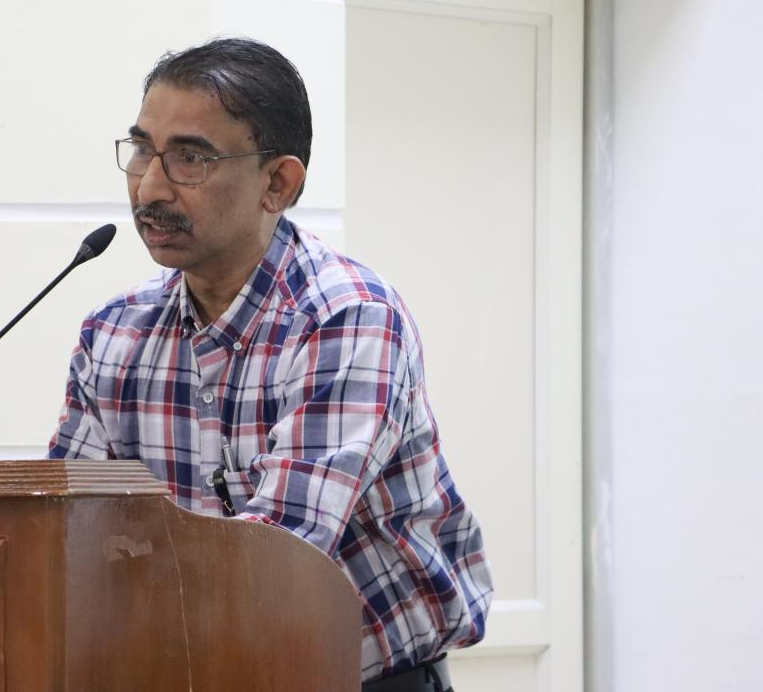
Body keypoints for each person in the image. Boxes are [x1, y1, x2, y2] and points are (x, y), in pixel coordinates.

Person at [48, 37, 493, 691]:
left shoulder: (346, 316)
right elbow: (68, 537)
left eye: (190, 158)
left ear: (277, 183)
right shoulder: (114, 332)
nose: (149, 186)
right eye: (142, 149)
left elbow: (278, 562)